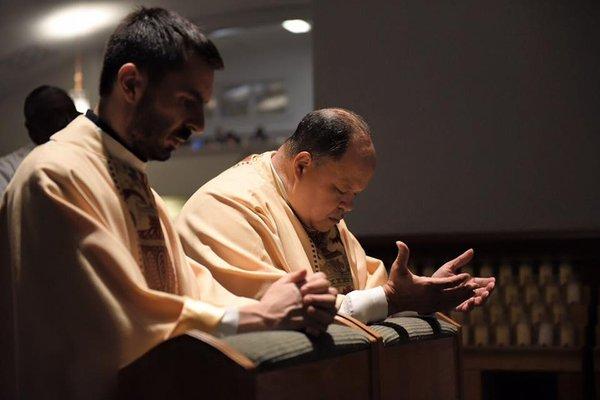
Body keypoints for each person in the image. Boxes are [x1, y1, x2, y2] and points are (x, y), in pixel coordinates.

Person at [0, 8, 336, 399]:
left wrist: (280, 297)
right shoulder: (55, 175)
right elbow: (113, 319)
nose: (199, 124)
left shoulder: (134, 182)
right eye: (187, 101)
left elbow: (187, 288)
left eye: (203, 105)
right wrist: (258, 315)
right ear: (131, 84)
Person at [176, 108, 496, 323]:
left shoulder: (315, 209)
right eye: (342, 190)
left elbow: (370, 292)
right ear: (302, 165)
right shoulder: (227, 206)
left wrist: (423, 293)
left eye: (355, 195)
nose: (348, 206)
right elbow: (284, 313)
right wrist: (395, 300)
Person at [0, 85, 79, 196]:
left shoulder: (89, 156)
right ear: (32, 130)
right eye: (52, 119)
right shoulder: (8, 170)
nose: (64, 125)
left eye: (70, 116)